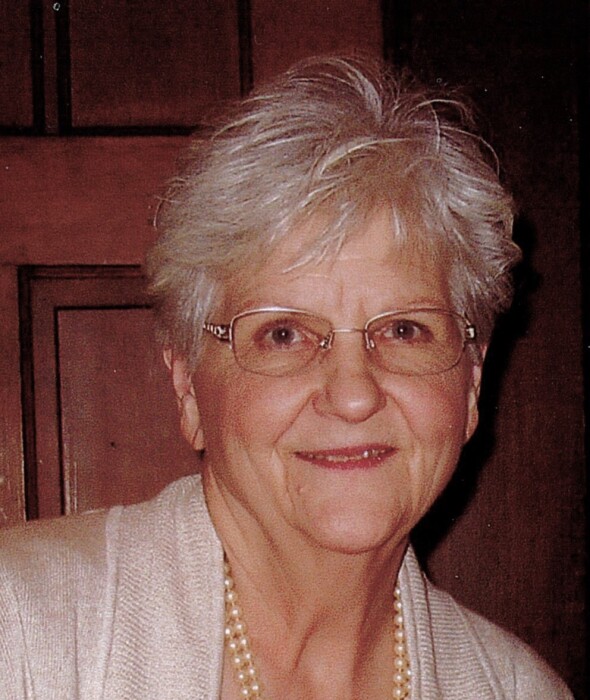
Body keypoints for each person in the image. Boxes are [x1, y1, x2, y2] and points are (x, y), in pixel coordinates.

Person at [0, 56, 573, 699]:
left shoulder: (519, 690)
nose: (353, 395)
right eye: (284, 335)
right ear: (189, 385)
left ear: (471, 382)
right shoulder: (22, 632)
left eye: (404, 330)